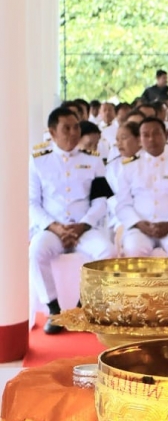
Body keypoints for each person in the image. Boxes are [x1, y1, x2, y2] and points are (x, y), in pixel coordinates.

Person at [29, 106, 114, 332]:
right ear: (52, 132)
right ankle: (54, 310)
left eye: (76, 127)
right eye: (66, 128)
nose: (73, 133)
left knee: (108, 252)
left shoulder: (93, 160)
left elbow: (101, 202)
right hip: (52, 229)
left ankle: (81, 308)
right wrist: (55, 227)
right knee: (36, 251)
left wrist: (82, 225)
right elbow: (32, 203)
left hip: (83, 228)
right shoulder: (38, 161)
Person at [113, 116, 168, 257]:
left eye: (156, 133)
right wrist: (139, 223)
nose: (151, 139)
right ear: (140, 139)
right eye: (146, 135)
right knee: (133, 250)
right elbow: (123, 205)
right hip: (140, 227)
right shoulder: (129, 167)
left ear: (166, 136)